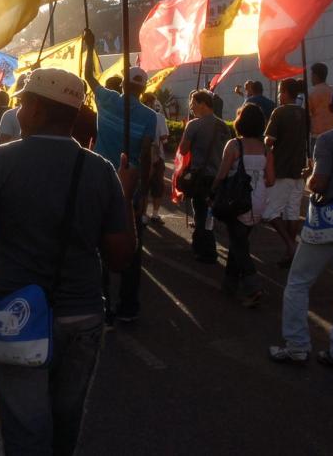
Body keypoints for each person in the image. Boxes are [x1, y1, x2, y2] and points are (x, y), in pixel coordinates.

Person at [0, 69, 137, 454]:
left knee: (25, 433)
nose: (19, 109)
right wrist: (126, 198)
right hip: (82, 315)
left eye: (22, 101)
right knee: (65, 426)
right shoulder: (101, 170)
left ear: (34, 108)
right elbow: (120, 258)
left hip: (16, 317)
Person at [270, 85, 333, 370]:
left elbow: (320, 182)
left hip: (327, 224)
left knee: (298, 283)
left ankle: (297, 346)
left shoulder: (326, 141)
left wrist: (309, 179)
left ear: (331, 109)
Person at [81, 31, 154, 322]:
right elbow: (146, 156)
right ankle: (129, 306)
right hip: (130, 183)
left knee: (96, 243)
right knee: (131, 247)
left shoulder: (107, 99)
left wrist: (90, 47)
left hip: (100, 179)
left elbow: (88, 75)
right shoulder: (149, 116)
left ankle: (103, 303)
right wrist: (144, 193)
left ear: (123, 83)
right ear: (144, 88)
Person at [211, 103, 274, 307]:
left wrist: (212, 191)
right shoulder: (266, 149)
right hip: (258, 200)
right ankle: (229, 284)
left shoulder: (234, 145)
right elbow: (271, 180)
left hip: (236, 200)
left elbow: (222, 174)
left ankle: (253, 287)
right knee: (239, 240)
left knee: (239, 244)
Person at [177, 89, 230, 263]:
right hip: (219, 176)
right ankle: (204, 247)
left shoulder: (194, 125)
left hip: (200, 176)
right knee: (209, 213)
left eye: (193, 103)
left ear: (202, 103)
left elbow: (183, 149)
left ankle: (205, 250)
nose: (191, 107)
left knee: (200, 213)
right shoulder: (223, 126)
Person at [262, 78, 308, 266]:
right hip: (299, 169)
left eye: (281, 91)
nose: (279, 94)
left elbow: (269, 141)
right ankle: (290, 254)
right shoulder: (305, 113)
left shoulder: (279, 112)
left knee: (270, 212)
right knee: (292, 212)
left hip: (281, 169)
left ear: (286, 92)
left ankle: (291, 245)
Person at [139, 92, 170, 225]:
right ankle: (155, 214)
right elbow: (164, 137)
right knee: (157, 186)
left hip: (141, 155)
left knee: (143, 186)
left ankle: (143, 214)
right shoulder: (159, 117)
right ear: (151, 102)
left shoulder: (138, 116)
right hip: (157, 156)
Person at [307, 62, 333, 143]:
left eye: (311, 75)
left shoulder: (310, 92)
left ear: (315, 76)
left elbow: (306, 116)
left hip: (317, 136)